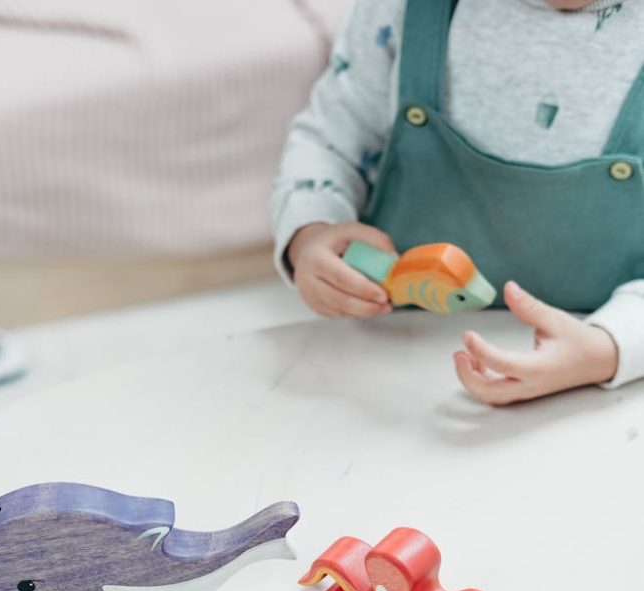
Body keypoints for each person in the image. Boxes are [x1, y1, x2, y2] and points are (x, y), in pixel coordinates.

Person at [272, 0, 644, 405]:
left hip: (603, 403)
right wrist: (309, 234)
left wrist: (609, 347)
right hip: (392, 379)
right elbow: (328, 139)